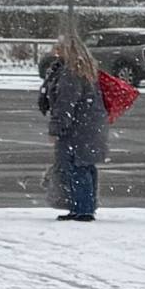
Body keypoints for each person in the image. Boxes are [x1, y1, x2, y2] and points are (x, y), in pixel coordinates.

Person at [39, 33, 108, 221]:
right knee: (85, 166)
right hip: (89, 127)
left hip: (77, 130)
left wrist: (56, 129)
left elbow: (64, 105)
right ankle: (85, 206)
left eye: (59, 47)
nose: (55, 50)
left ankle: (82, 209)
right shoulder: (85, 70)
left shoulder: (70, 74)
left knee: (77, 167)